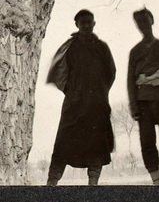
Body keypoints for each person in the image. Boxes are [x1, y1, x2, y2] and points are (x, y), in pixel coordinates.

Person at [46, 9, 116, 186]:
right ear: (76, 25)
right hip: (74, 105)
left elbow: (111, 73)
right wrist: (73, 91)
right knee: (63, 142)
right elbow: (59, 72)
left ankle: (93, 184)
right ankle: (51, 183)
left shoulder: (102, 47)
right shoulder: (70, 47)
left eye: (89, 22)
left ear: (94, 24)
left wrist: (99, 92)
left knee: (96, 144)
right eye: (82, 22)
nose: (86, 25)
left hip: (97, 105)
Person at [127, 8, 159, 185]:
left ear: (152, 21)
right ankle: (156, 180)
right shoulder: (135, 51)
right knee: (147, 142)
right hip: (143, 103)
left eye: (146, 21)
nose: (144, 25)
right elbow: (130, 80)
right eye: (140, 22)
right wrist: (134, 106)